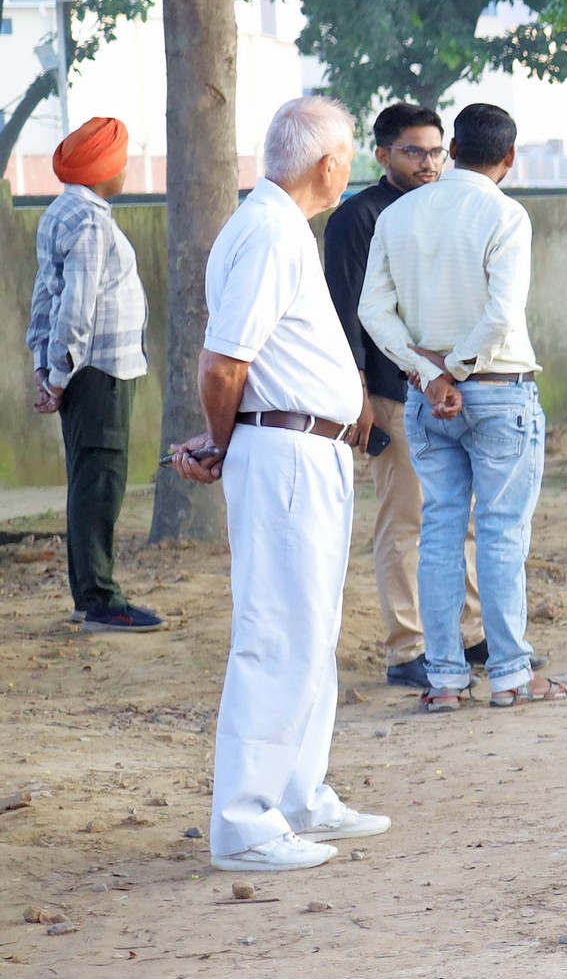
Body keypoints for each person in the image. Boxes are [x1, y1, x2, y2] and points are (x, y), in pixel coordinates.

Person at [170, 97, 389, 872]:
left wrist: (226, 439)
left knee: (311, 630)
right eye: (349, 157)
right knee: (277, 633)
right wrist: (225, 442)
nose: (351, 169)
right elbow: (222, 363)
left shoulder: (279, 226)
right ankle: (245, 823)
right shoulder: (268, 230)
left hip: (303, 449)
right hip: (284, 451)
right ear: (328, 164)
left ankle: (298, 795)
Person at [356, 102, 561, 709]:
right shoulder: (505, 214)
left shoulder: (399, 214)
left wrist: (429, 374)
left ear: (452, 149)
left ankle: (445, 680)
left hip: (426, 400)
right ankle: (510, 676)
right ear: (508, 157)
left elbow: (373, 312)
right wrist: (458, 370)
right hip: (497, 390)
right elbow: (502, 314)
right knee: (499, 534)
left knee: (441, 533)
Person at [323, 103, 479, 684]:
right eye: (414, 151)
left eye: (437, 151)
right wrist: (360, 395)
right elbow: (345, 314)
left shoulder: (446, 208)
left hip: (453, 389)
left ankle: (472, 635)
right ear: (383, 154)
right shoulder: (356, 218)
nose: (428, 162)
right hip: (391, 393)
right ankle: (407, 648)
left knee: (462, 517)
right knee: (405, 521)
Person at [24, 115, 158, 631]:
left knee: (87, 480)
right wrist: (57, 376)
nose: (125, 171)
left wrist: (46, 366)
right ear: (104, 169)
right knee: (100, 482)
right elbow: (76, 308)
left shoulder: (63, 211)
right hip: (99, 370)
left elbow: (45, 297)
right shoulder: (90, 222)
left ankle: (89, 597)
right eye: (121, 162)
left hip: (81, 371)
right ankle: (101, 600)